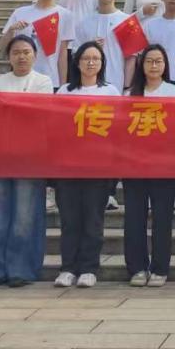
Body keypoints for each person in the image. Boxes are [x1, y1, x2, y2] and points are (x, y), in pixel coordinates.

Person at [0, 35, 52, 288]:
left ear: (35, 56)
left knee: (25, 216)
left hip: (30, 158)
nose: (21, 57)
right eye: (16, 52)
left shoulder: (43, 82)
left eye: (26, 52)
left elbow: (38, 116)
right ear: (9, 57)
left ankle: (21, 269)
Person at [53, 41, 120, 288]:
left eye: (96, 59)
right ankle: (68, 268)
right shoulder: (64, 92)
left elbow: (117, 130)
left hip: (98, 166)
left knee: (93, 219)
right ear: (77, 62)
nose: (91, 63)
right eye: (86, 58)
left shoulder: (110, 92)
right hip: (68, 166)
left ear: (102, 64)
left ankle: (89, 268)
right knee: (70, 219)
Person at [123, 44, 175, 287]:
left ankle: (160, 268)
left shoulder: (174, 92)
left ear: (165, 65)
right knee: (134, 217)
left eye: (159, 61)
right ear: (141, 65)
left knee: (162, 218)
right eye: (149, 61)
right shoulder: (130, 94)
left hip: (164, 166)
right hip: (134, 165)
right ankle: (137, 268)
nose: (154, 66)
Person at [1, 0, 75, 86]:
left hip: (51, 80)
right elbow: (3, 49)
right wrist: (11, 30)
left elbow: (63, 53)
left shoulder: (66, 15)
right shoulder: (20, 13)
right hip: (21, 79)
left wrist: (62, 85)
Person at [76, 0, 131, 100]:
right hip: (88, 86)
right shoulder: (84, 22)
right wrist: (90, 47)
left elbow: (131, 58)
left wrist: (127, 87)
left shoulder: (127, 21)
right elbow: (76, 54)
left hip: (117, 82)